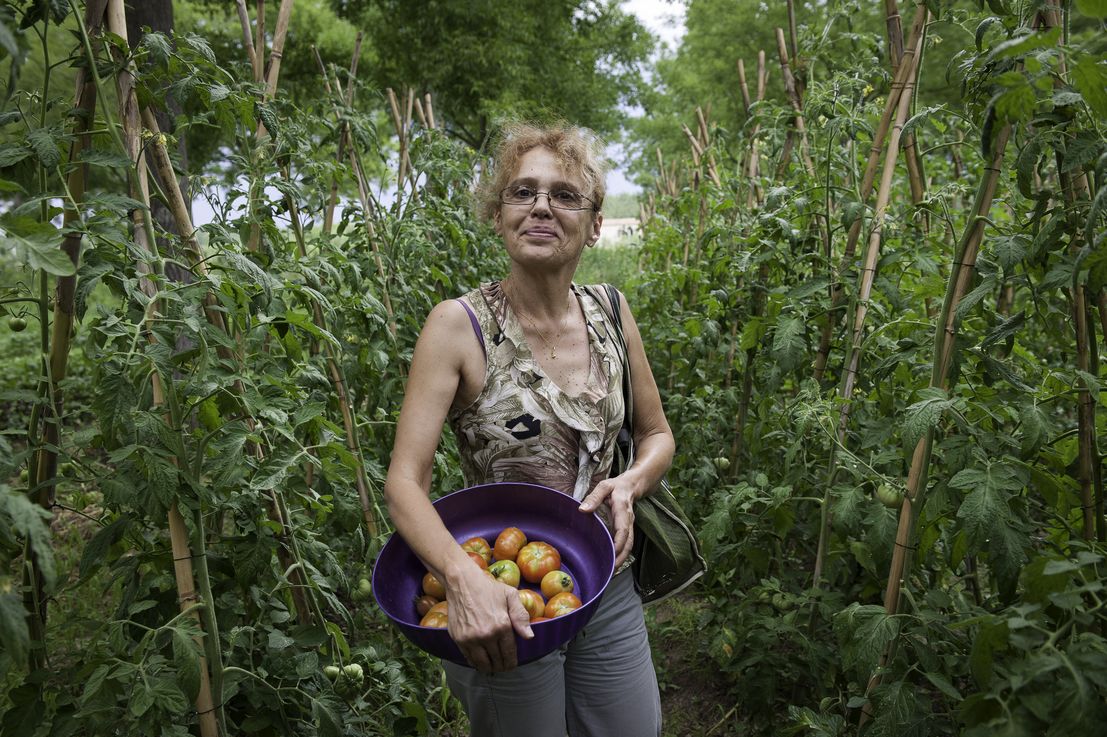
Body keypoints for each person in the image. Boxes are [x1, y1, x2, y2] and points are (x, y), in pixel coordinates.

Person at [383, 121, 675, 736]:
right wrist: (463, 582)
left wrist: (630, 484)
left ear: (594, 224)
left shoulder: (611, 312)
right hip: (500, 597)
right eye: (522, 192)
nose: (542, 206)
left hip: (606, 583)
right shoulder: (457, 328)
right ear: (499, 216)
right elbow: (404, 482)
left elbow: (656, 436)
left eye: (565, 195)